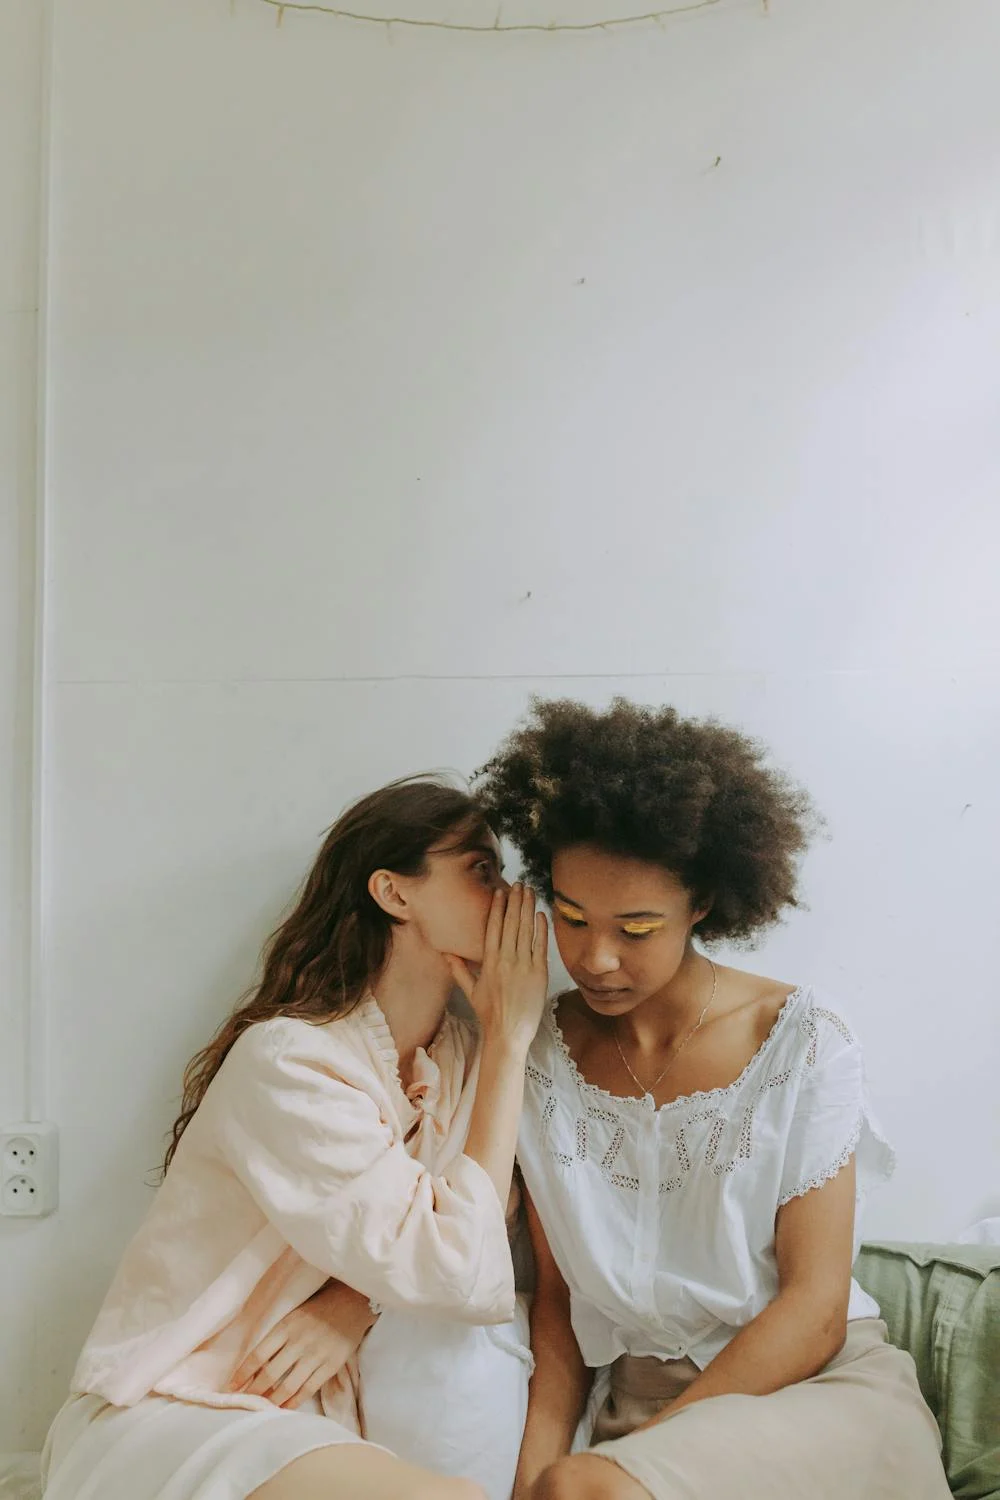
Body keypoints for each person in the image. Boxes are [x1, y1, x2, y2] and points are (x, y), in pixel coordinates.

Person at [475, 699, 952, 1500]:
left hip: (816, 1397)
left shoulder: (801, 1041)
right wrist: (534, 1479)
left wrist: (617, 1468)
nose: (595, 959)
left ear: (701, 904)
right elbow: (557, 1309)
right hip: (628, 1424)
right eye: (572, 917)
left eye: (636, 928)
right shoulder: (539, 1053)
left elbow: (815, 1308)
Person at [41, 776, 548, 1500]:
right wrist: (512, 1040)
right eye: (479, 870)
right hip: (177, 1405)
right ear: (395, 894)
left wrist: (353, 1303)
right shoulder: (290, 1063)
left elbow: (474, 1234)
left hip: (305, 1415)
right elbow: (456, 1270)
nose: (508, 898)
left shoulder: (460, 1059)